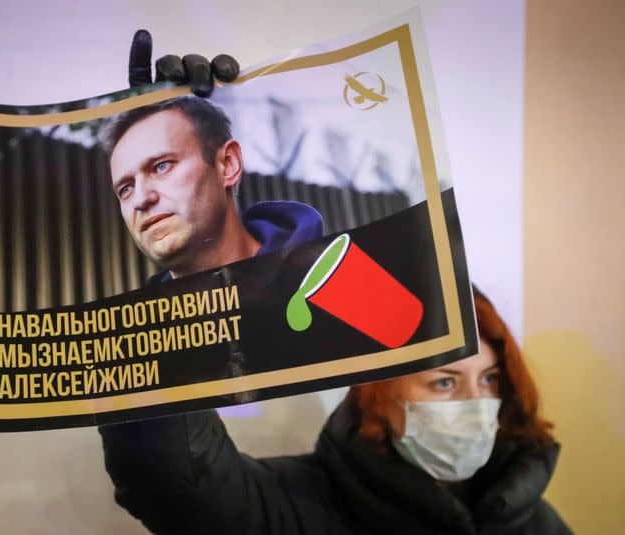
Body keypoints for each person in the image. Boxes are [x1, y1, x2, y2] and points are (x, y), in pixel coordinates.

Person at [98, 33, 572, 534]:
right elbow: (174, 483)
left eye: (491, 380)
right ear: (378, 388)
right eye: (444, 381)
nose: (476, 407)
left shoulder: (537, 522)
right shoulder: (294, 508)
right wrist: (162, 316)